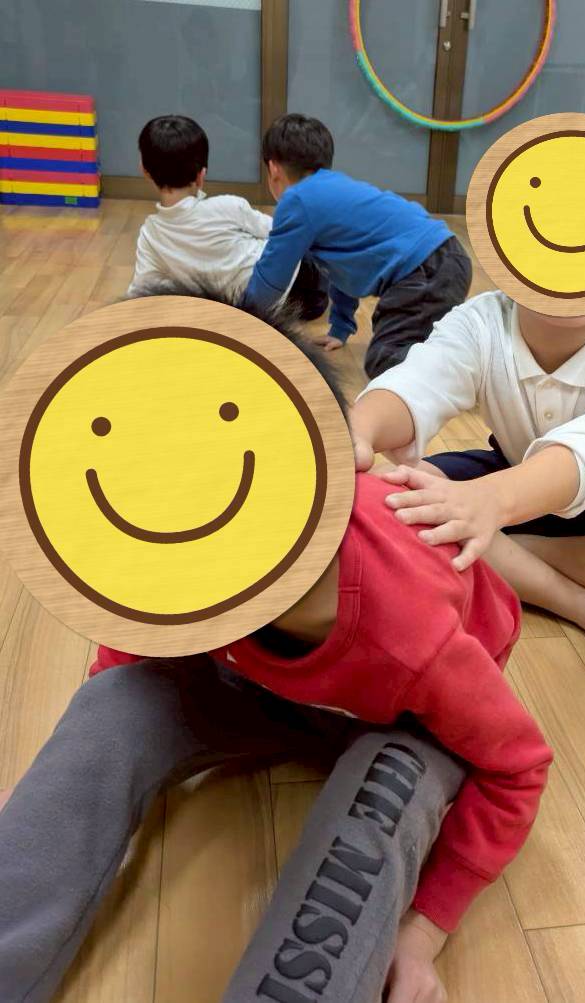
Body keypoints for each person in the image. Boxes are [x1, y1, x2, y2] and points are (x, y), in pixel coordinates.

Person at [0, 293, 552, 1003]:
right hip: (276, 687)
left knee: (375, 810)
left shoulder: (413, 637)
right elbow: (130, 660)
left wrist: (423, 931)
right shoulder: (190, 582)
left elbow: (517, 767)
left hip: (405, 719)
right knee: (114, 699)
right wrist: (57, 793)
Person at [351, 290, 585, 679]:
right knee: (381, 495)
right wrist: (359, 430)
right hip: (514, 476)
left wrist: (489, 503)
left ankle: (510, 551)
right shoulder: (483, 318)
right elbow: (418, 384)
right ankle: (579, 602)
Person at [242, 114, 473, 378]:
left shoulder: (297, 200)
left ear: (273, 169)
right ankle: (460, 352)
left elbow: (271, 277)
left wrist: (239, 323)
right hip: (444, 260)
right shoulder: (330, 190)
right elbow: (342, 270)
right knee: (415, 341)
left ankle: (472, 369)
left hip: (426, 270)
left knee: (385, 362)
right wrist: (340, 327)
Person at [127, 115, 328, 318]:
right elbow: (278, 231)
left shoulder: (150, 235)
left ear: (144, 170)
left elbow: (141, 290)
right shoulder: (228, 207)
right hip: (298, 282)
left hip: (256, 309)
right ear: (201, 175)